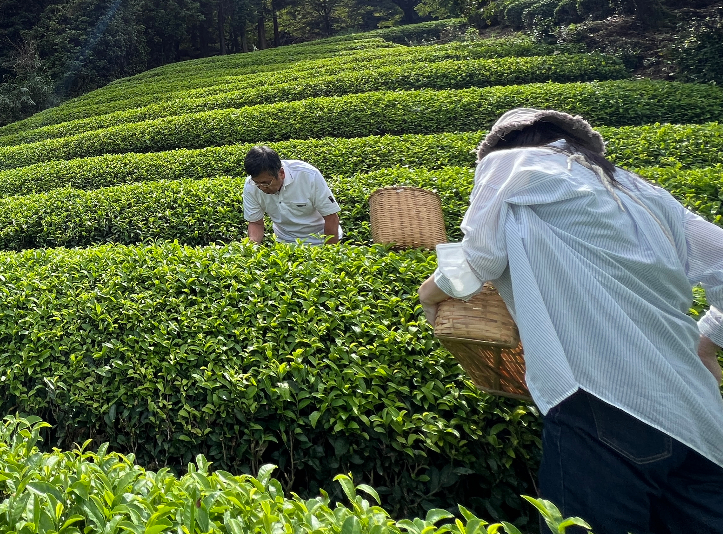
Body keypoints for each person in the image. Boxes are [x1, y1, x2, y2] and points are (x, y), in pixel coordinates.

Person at [416, 108, 723, 533]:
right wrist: (707, 341)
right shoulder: (640, 190)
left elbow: (478, 259)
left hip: (602, 395)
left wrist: (427, 294)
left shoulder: (509, 162)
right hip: (698, 410)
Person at [242, 144, 342, 246]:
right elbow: (256, 223)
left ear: (281, 173)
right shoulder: (251, 185)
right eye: (257, 183)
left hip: (319, 240)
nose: (262, 187)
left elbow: (331, 217)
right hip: (285, 243)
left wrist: (329, 251)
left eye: (266, 183)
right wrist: (251, 249)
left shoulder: (309, 176)